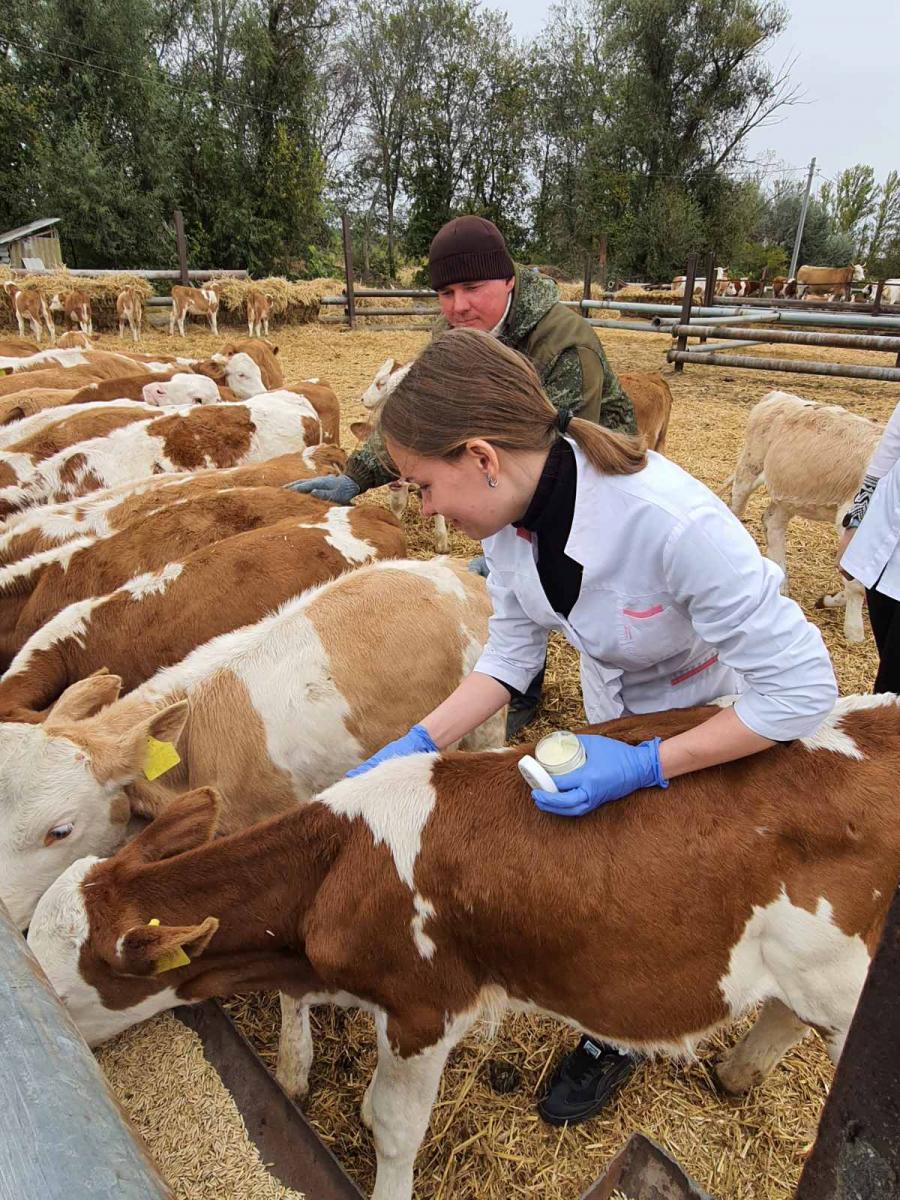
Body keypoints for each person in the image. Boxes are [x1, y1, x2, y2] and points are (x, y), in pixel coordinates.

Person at [344, 328, 838, 1126]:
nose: (424, 507)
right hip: (623, 708)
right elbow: (510, 654)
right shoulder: (509, 523)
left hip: (722, 717)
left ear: (480, 455)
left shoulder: (673, 523)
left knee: (682, 871)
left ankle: (630, 1034)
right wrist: (418, 743)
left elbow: (802, 689)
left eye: (422, 485)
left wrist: (648, 767)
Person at [287, 216, 637, 736]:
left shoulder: (563, 343)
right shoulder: (455, 333)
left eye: (473, 288)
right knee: (513, 577)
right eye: (446, 293)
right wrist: (358, 476)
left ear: (509, 280)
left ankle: (541, 689)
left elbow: (558, 451)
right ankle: (514, 680)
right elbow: (422, 414)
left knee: (550, 574)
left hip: (587, 468)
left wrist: (513, 544)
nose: (459, 306)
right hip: (501, 466)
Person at [840, 399, 900, 692]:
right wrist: (855, 524)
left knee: (891, 689)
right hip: (884, 545)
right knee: (889, 679)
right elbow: (889, 451)